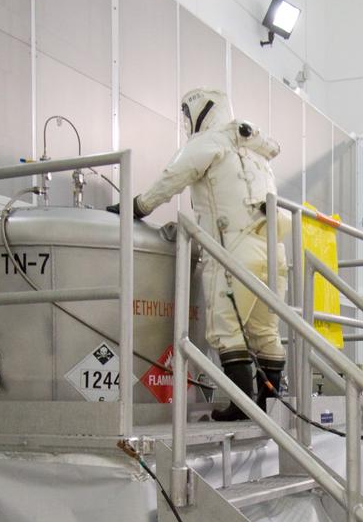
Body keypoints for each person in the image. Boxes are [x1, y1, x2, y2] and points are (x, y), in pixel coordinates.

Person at [109, 88, 288, 421]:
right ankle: (267, 410)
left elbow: (172, 178)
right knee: (266, 331)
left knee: (225, 329)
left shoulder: (209, 143)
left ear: (201, 112)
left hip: (234, 247)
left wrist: (136, 207)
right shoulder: (255, 152)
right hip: (274, 250)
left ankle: (242, 407)